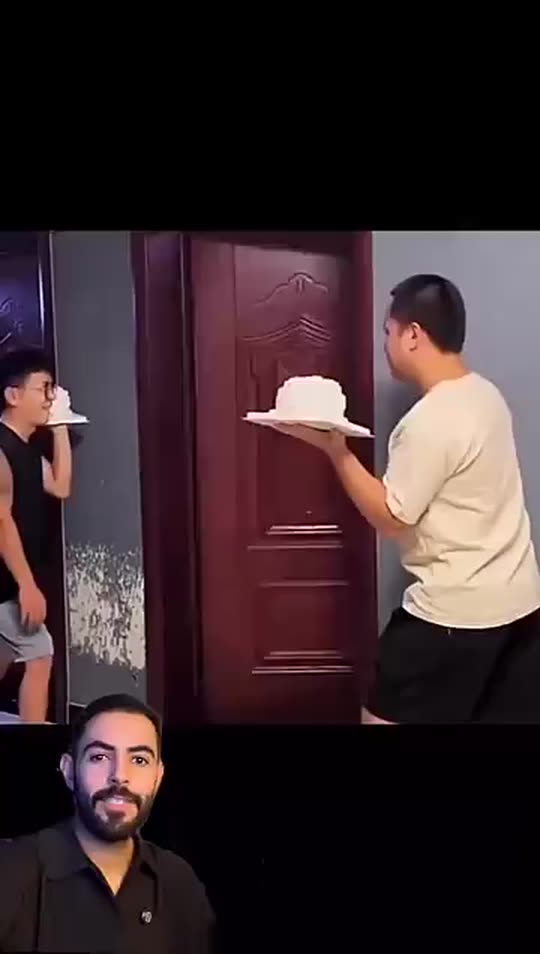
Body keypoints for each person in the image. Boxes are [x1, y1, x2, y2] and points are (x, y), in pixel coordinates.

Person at [275, 274, 540, 723]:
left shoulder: (430, 420)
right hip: (521, 609)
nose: (386, 344)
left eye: (388, 331)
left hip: (454, 618)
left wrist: (335, 449)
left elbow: (392, 517)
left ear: (413, 335)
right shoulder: (486, 395)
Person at [0, 693, 215, 953]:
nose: (119, 776)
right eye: (100, 757)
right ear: (69, 771)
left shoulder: (180, 883)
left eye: (139, 760)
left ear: (158, 778)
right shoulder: (11, 870)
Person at [0, 346, 72, 722]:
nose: (49, 397)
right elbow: (1, 521)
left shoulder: (26, 450)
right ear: (13, 395)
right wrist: (26, 585)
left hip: (12, 578)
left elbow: (60, 485)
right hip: (6, 580)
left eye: (52, 389)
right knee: (40, 654)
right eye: (43, 388)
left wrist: (60, 425)